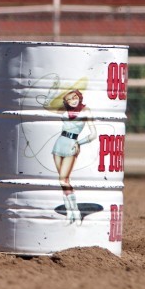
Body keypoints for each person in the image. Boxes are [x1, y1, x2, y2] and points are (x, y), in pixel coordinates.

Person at [50, 89, 97, 224]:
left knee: (63, 180)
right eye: (69, 99)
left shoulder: (85, 110)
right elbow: (49, 105)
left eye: (74, 97)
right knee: (64, 181)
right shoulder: (65, 110)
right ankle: (70, 213)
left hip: (72, 145)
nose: (72, 101)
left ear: (79, 97)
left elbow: (93, 134)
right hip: (59, 144)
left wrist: (79, 143)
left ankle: (75, 211)